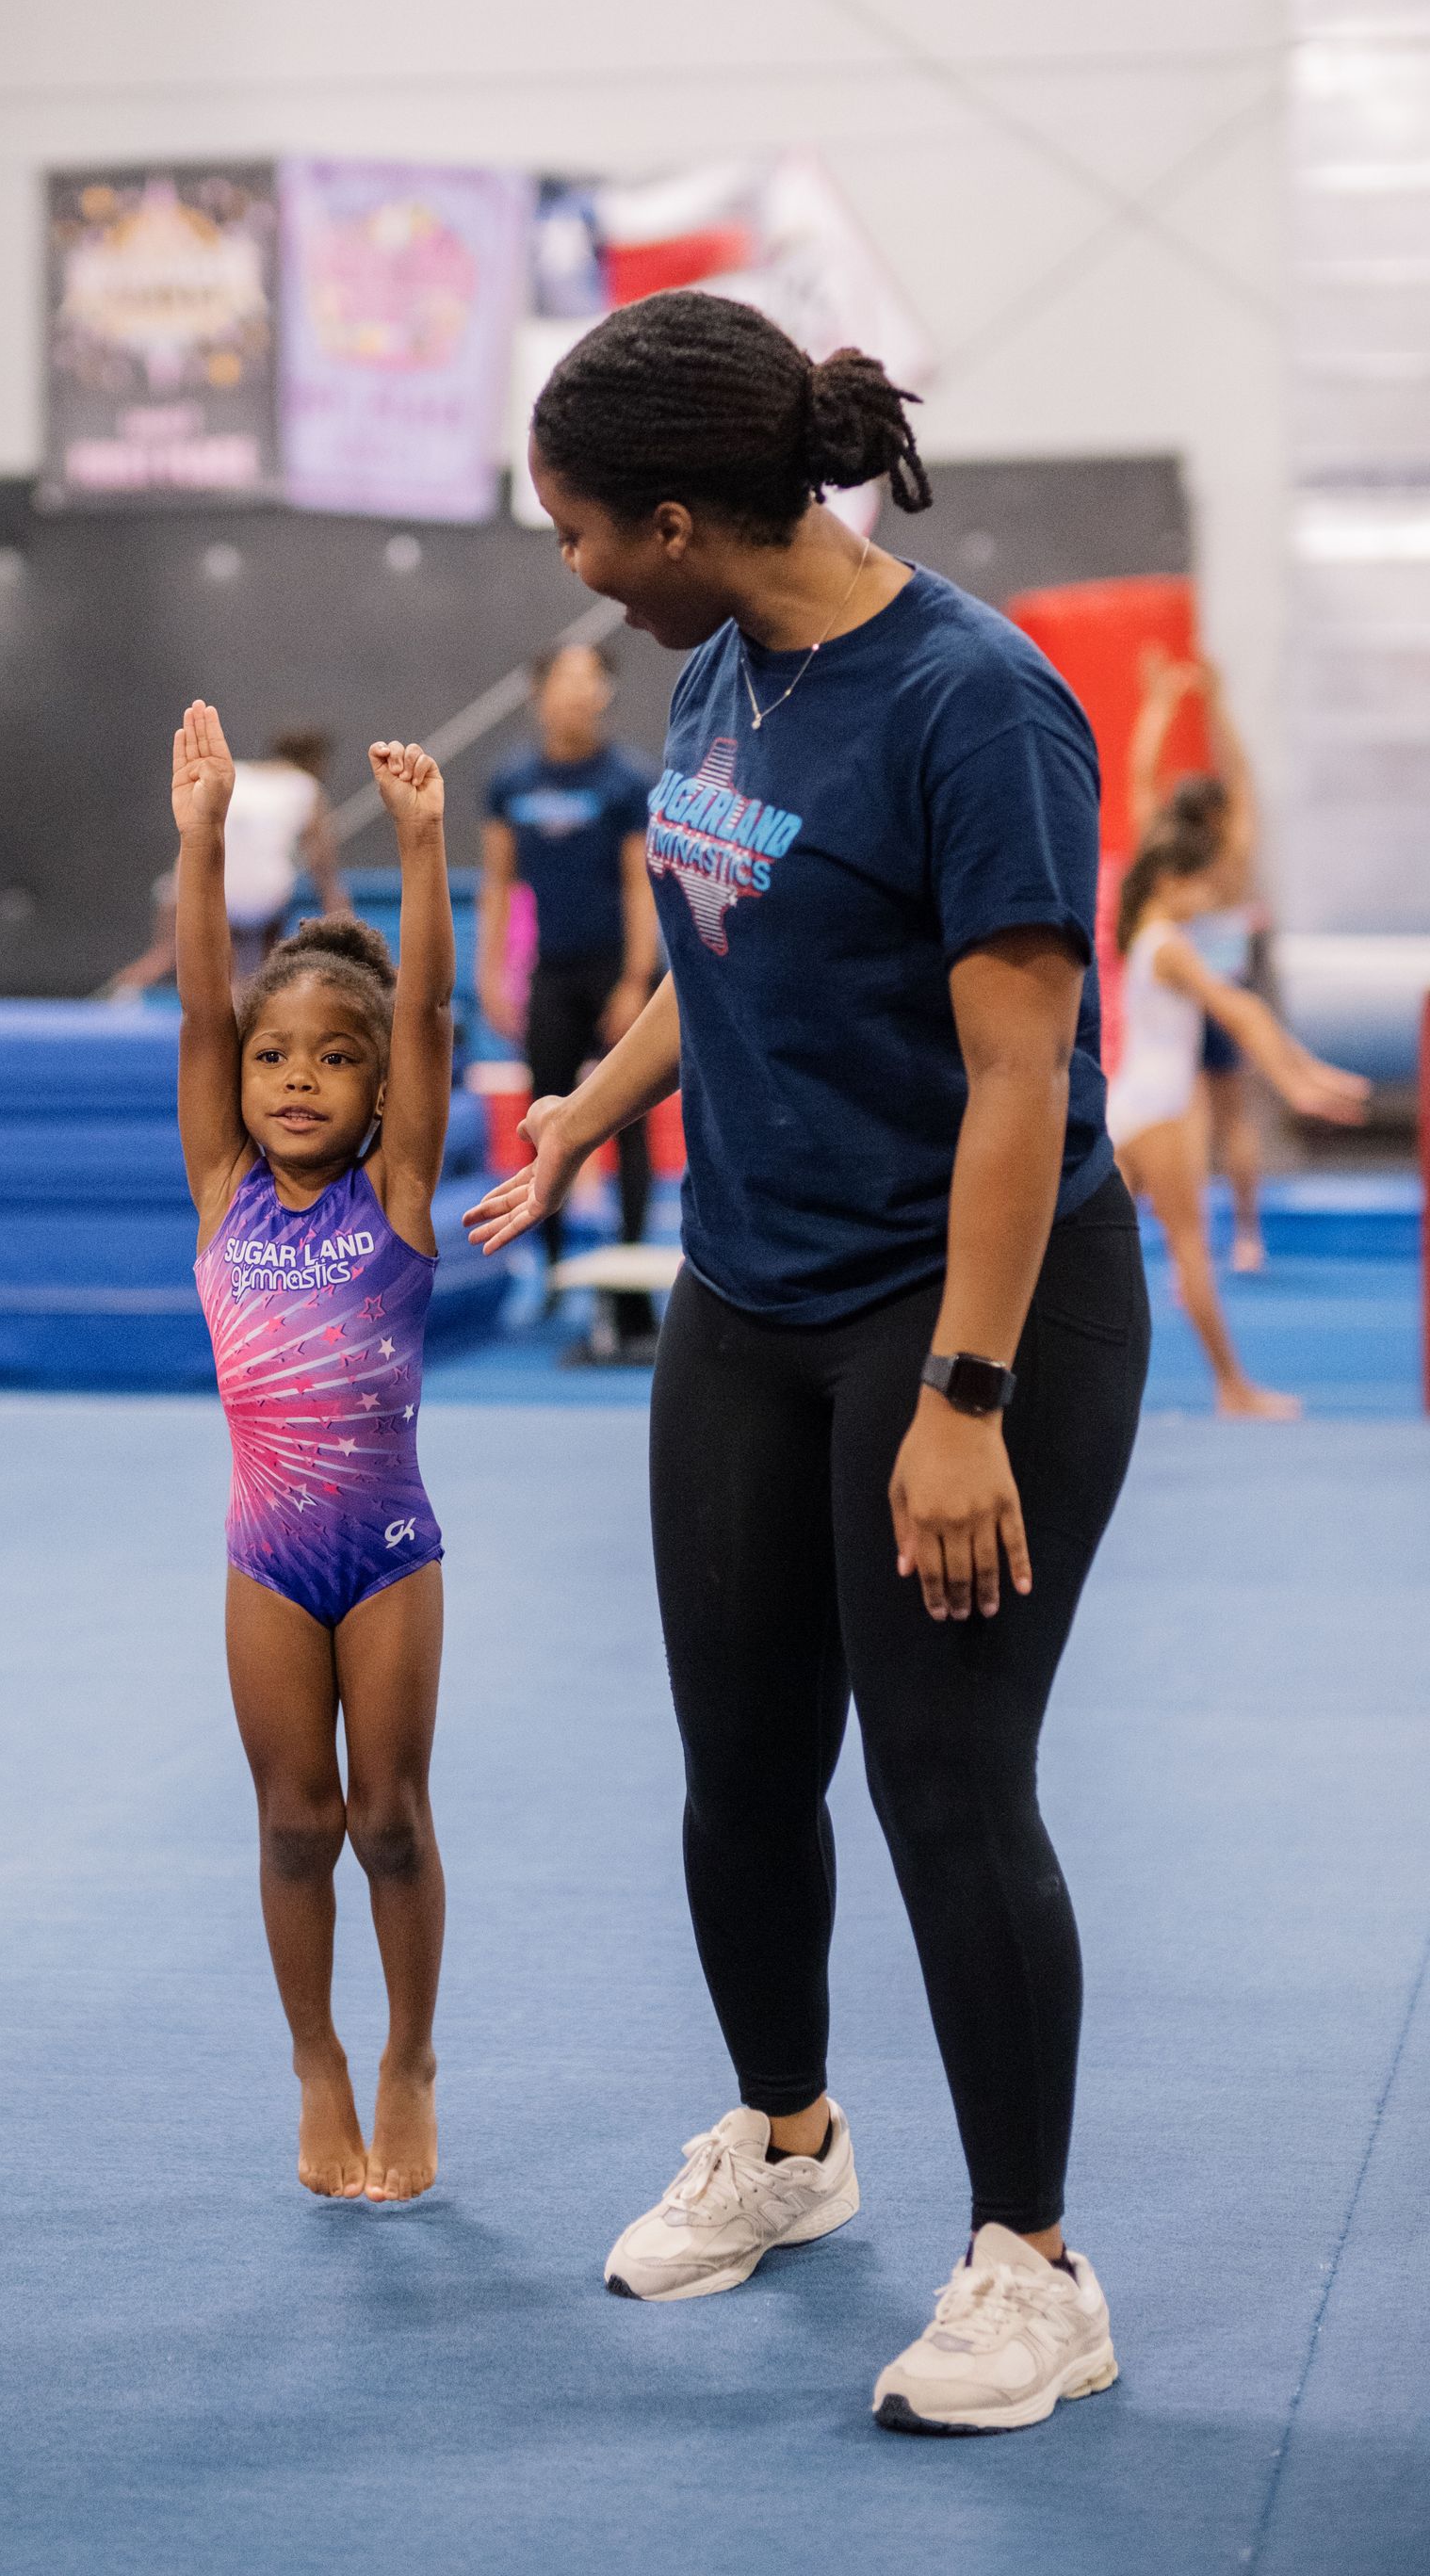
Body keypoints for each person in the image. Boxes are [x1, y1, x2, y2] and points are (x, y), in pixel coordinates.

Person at [466, 291, 1148, 2435]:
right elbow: (715, 934)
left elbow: (1021, 1077)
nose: (565, 563)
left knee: (948, 1789)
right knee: (741, 1768)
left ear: (676, 514)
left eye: (579, 527)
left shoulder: (977, 705)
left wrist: (963, 1402)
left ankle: (1033, 2266)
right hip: (748, 1300)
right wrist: (593, 1101)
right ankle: (786, 2139)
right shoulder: (714, 669)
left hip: (965, 1309)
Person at [172, 700, 454, 2204]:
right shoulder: (222, 1187)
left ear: (373, 1092)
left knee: (392, 1820)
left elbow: (424, 1021)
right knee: (296, 1820)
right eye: (275, 1057)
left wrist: (422, 848)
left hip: (387, 1552)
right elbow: (202, 1013)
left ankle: (409, 2055)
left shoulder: (397, 1195)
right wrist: (204, 840)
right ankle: (317, 2063)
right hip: (267, 1559)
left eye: (332, 1061)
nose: (293, 1077)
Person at [1109, 815, 1368, 1417]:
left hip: (1130, 1106)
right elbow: (1241, 1011)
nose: (1212, 899)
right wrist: (1298, 1082)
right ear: (1173, 881)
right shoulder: (1169, 945)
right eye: (1205, 885)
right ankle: (1232, 1386)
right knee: (1191, 1250)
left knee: (1087, 1258)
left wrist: (1303, 1071)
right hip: (1160, 1113)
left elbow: (1243, 1012)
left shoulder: (1148, 935)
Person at [478, 641, 662, 1360]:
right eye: (565, 680)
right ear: (539, 692)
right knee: (542, 1116)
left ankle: (630, 1274)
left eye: (593, 682)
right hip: (551, 975)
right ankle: (550, 1265)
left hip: (615, 970)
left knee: (629, 1119)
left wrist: (634, 983)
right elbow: (498, 885)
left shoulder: (627, 780)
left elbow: (639, 885)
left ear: (605, 695)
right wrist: (495, 976)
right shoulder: (512, 782)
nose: (578, 694)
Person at [1128, 650, 1268, 1270]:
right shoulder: (1229, 857)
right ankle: (1245, 1234)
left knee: (1174, 1107)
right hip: (1217, 984)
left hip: (1177, 988)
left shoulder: (1167, 854)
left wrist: (1161, 705)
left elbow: (1139, 776)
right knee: (1227, 1111)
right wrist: (1216, 702)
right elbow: (1243, 778)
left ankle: (1174, 1223)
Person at [107, 724, 351, 996]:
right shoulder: (307, 787)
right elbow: (324, 873)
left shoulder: (234, 774)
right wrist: (344, 924)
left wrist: (167, 937)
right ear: (317, 761)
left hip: (200, 893)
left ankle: (153, 964)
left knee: (178, 908)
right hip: (263, 897)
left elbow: (192, 846)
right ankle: (251, 990)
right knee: (255, 969)